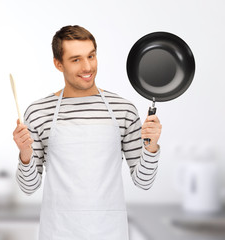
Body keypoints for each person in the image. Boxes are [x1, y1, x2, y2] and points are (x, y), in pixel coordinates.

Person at [13, 25, 162, 240]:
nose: (87, 67)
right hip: (58, 231)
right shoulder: (38, 112)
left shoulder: (123, 110)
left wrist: (151, 146)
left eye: (91, 56)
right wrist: (25, 154)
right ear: (58, 64)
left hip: (109, 232)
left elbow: (143, 181)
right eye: (76, 60)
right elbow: (29, 187)